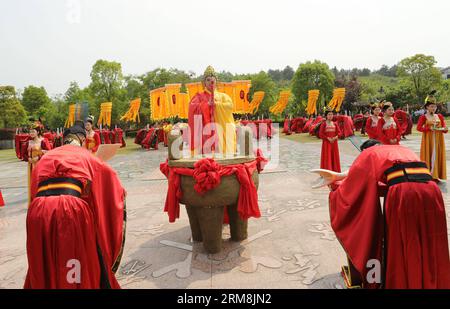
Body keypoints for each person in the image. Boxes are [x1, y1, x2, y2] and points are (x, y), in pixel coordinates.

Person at [328, 139, 450, 289]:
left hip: (404, 193)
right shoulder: (402, 149)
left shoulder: (369, 153)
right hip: (432, 191)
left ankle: (408, 281)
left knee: (406, 238)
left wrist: (335, 190)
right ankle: (433, 281)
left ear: (365, 150)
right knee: (430, 238)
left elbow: (354, 182)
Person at [24, 124, 126, 289]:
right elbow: (109, 182)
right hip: (69, 209)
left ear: (63, 140)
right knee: (73, 261)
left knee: (42, 261)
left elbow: (35, 188)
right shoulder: (86, 156)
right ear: (83, 139)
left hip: (38, 211)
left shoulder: (47, 157)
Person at [188, 65, 236, 156]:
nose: (211, 82)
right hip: (204, 132)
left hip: (220, 130)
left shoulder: (223, 96)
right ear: (204, 83)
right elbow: (192, 108)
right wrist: (206, 105)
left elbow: (230, 106)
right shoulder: (198, 97)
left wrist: (217, 105)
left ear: (216, 81)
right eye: (208, 80)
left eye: (213, 79)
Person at [417, 91, 448, 181]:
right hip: (428, 140)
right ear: (427, 107)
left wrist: (445, 129)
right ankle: (428, 174)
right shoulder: (423, 117)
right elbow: (419, 128)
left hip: (438, 140)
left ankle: (436, 175)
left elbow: (443, 128)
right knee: (429, 154)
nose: (433, 108)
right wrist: (428, 129)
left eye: (435, 106)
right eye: (431, 106)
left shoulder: (439, 116)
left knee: (437, 155)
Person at [27, 121, 52, 204]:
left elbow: (49, 152)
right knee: (32, 182)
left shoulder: (43, 141)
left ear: (38, 132)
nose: (31, 133)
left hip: (41, 165)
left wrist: (39, 157)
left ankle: (43, 199)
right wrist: (29, 158)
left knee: (40, 181)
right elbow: (24, 154)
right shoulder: (29, 142)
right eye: (30, 131)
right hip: (31, 166)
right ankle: (34, 199)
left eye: (33, 131)